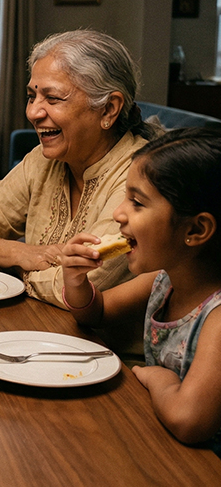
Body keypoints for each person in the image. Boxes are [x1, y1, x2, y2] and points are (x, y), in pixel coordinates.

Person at [0, 29, 158, 307]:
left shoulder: (141, 176)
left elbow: (80, 287)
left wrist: (5, 270)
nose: (33, 112)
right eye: (32, 96)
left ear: (108, 109)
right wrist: (19, 253)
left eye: (53, 98)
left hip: (108, 346)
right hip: (41, 328)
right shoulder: (42, 161)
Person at [58, 128, 221, 455]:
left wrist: (157, 379)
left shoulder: (217, 317)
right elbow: (98, 312)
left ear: (196, 229)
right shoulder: (165, 280)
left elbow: (189, 420)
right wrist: (77, 282)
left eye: (137, 202)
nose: (118, 213)